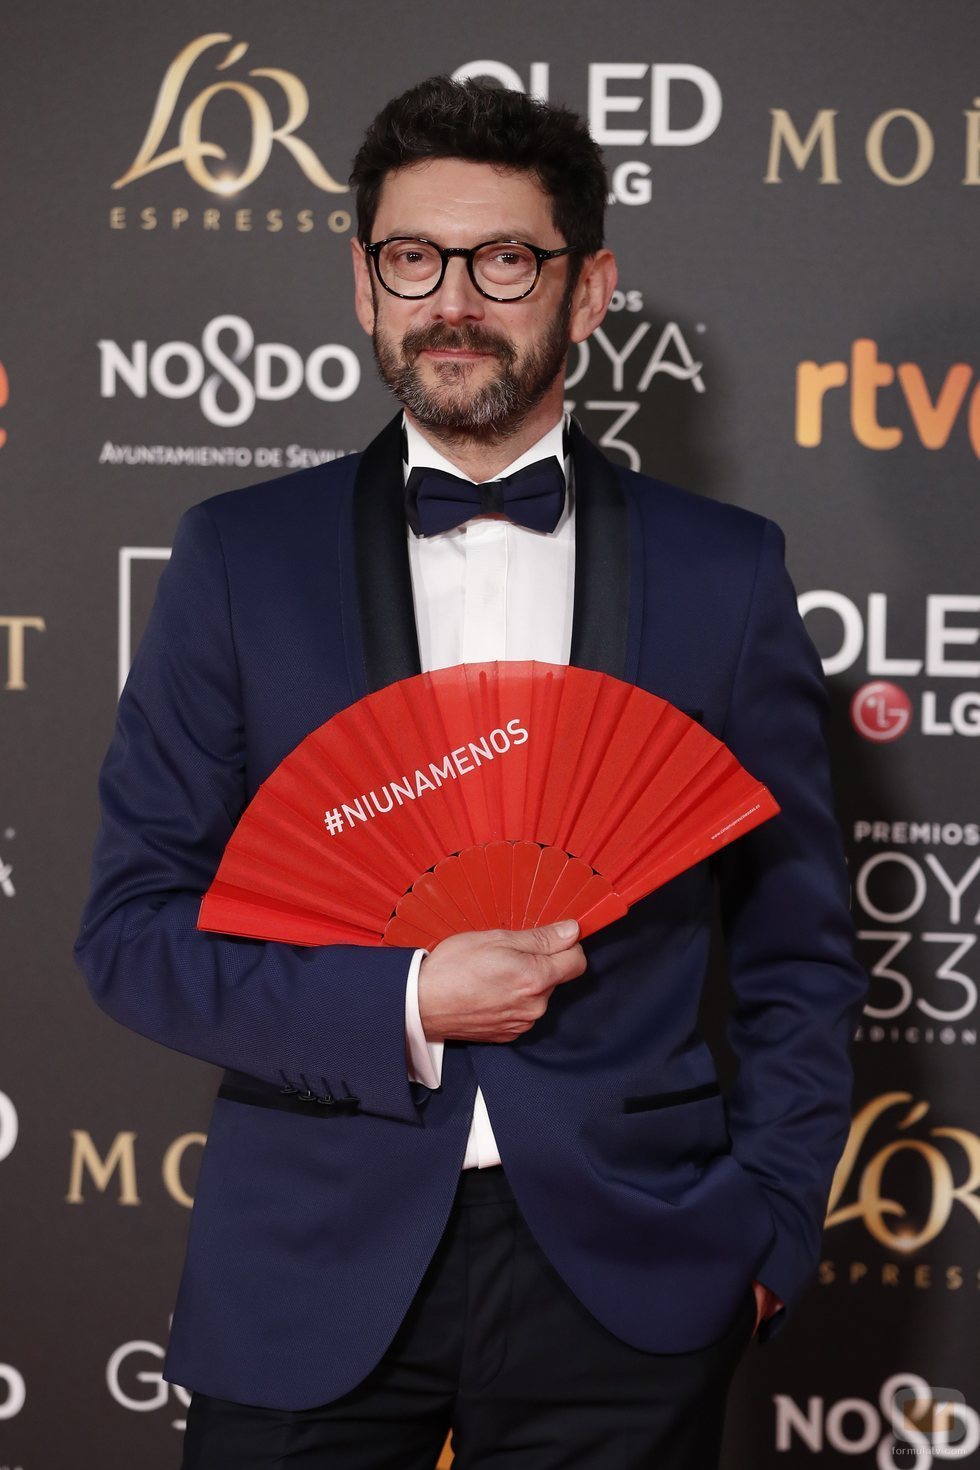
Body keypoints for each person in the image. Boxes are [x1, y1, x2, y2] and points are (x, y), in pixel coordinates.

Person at [76, 76, 867, 1470]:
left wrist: (769, 1233)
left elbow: (800, 955)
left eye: (506, 259)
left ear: (589, 287)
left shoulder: (724, 572)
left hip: (631, 1280)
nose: (455, 298)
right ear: (365, 285)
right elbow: (133, 933)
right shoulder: (238, 560)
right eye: (414, 258)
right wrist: (404, 998)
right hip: (310, 1263)